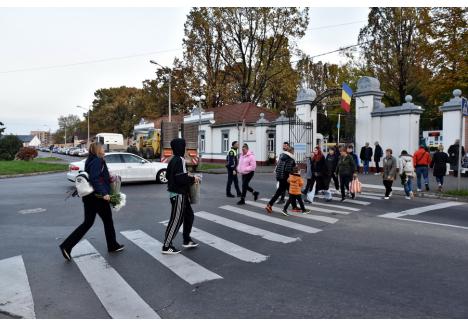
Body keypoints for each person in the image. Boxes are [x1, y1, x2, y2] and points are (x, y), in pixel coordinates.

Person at [59, 142, 124, 261]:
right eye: (102, 148)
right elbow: (94, 178)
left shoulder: (90, 160)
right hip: (97, 197)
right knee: (107, 220)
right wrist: (104, 193)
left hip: (89, 197)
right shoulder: (98, 161)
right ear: (98, 149)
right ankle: (112, 245)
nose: (104, 149)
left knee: (88, 222)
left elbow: (95, 176)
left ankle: (66, 246)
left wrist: (108, 177)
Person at [162, 138, 201, 254]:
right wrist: (193, 178)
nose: (185, 149)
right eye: (184, 146)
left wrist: (186, 175)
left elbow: (169, 175)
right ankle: (166, 246)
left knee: (189, 215)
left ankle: (186, 239)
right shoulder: (180, 160)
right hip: (179, 194)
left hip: (177, 193)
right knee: (176, 220)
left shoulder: (173, 159)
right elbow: (180, 178)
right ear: (180, 147)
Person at [265, 145, 296, 213]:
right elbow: (288, 169)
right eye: (293, 151)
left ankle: (269, 204)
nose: (294, 153)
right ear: (291, 151)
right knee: (292, 192)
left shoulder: (282, 157)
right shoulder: (290, 158)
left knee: (280, 192)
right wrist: (290, 176)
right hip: (286, 178)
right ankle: (294, 207)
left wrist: (278, 177)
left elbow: (278, 167)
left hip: (280, 177)